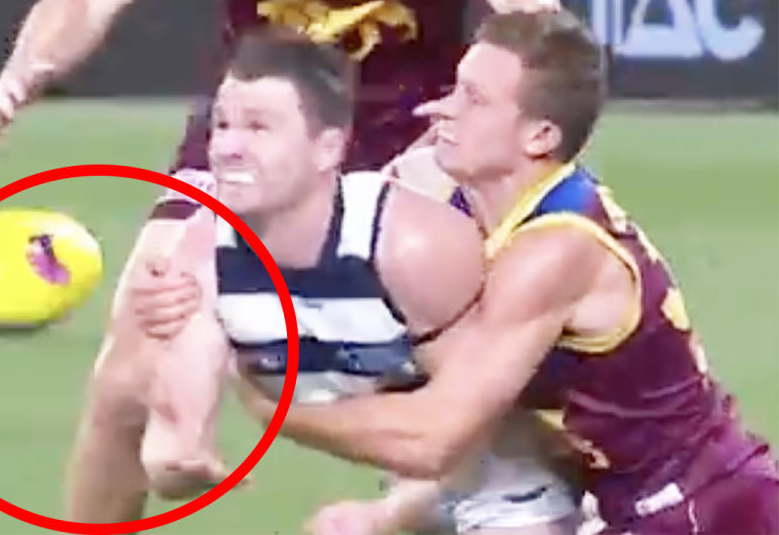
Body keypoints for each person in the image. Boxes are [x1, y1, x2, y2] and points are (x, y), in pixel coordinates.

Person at [0, 0, 561, 522]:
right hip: (258, 133)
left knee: (476, 380)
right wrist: (34, 60)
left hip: (416, 144)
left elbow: (536, 29)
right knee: (129, 368)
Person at [221, 10, 779, 534]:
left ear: (539, 137)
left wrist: (279, 411)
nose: (442, 109)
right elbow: (493, 425)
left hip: (703, 510)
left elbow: (437, 434)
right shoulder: (446, 199)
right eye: (455, 86)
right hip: (618, 504)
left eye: (474, 99)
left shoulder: (555, 251)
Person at [168, 29, 578, 534]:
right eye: (222, 125)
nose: (228, 147)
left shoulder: (417, 246)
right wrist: (181, 446)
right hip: (452, 484)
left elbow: (444, 436)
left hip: (568, 489)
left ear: (329, 148)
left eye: (258, 127)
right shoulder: (201, 249)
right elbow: (170, 448)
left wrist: (277, 415)